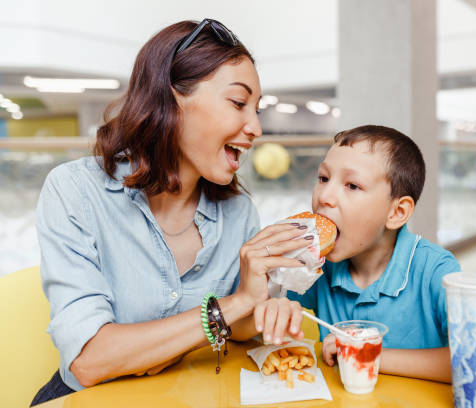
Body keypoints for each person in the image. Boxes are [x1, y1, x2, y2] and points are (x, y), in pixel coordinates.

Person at [32, 19, 306, 405]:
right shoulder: (75, 192)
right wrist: (233, 304)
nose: (256, 127)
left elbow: (241, 331)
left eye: (257, 110)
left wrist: (262, 301)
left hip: (189, 395)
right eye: (238, 103)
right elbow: (89, 361)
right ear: (172, 97)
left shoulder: (240, 212)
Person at [287, 125, 476, 387]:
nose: (325, 197)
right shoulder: (318, 263)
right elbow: (242, 326)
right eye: (323, 178)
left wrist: (367, 354)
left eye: (352, 185)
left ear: (397, 212)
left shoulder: (435, 270)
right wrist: (265, 290)